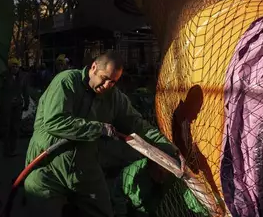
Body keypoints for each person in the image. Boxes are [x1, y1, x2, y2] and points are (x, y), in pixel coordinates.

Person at [24, 51, 184, 217]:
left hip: (84, 170)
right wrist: (97, 128)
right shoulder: (66, 82)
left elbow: (137, 125)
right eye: (104, 78)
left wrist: (170, 148)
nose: (108, 85)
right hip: (47, 168)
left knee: (103, 212)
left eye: (113, 81)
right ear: (93, 67)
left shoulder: (114, 98)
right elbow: (54, 122)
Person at [0, 57, 29, 157]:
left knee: (15, 127)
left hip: (17, 105)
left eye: (16, 66)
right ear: (9, 67)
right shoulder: (3, 76)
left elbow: (25, 91)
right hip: (6, 105)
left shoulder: (22, 77)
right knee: (6, 127)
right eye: (13, 66)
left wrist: (26, 103)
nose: (15, 68)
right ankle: (6, 150)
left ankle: (13, 149)